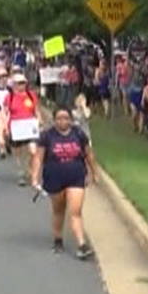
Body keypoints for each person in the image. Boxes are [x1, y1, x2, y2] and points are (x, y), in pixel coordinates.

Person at [30, 106, 99, 260]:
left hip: (76, 176)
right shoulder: (47, 136)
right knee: (59, 210)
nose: (63, 121)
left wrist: (94, 173)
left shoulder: (79, 134)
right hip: (54, 177)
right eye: (59, 118)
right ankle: (58, 239)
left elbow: (89, 154)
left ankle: (82, 245)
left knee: (75, 211)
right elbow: (39, 157)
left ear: (71, 119)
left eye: (66, 118)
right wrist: (34, 177)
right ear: (54, 120)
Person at [2, 74, 42, 187]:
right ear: (14, 84)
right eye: (19, 83)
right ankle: (21, 172)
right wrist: (5, 127)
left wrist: (40, 121)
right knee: (18, 152)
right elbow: (5, 113)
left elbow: (36, 110)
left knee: (33, 151)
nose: (22, 85)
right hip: (16, 127)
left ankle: (32, 172)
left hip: (30, 126)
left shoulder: (31, 95)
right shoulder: (9, 97)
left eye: (23, 83)